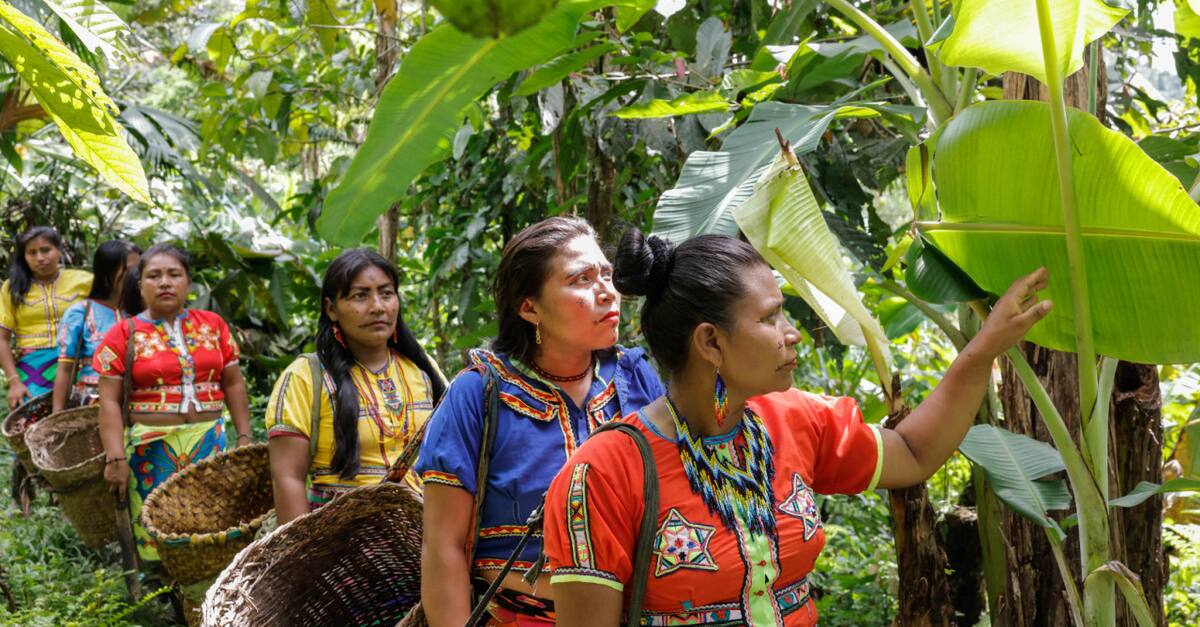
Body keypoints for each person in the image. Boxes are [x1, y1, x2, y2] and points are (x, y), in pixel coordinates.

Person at [542, 230, 1053, 626]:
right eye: (770, 318)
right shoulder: (602, 476)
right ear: (711, 343)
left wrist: (983, 349)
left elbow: (914, 452)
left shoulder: (795, 420)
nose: (792, 336)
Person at [417, 217, 666, 626]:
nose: (607, 292)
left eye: (606, 274)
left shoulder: (635, 377)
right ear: (530, 307)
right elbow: (444, 545)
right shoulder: (478, 395)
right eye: (582, 279)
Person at [94, 244, 253, 561]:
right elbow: (109, 402)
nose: (164, 282)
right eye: (154, 275)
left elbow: (233, 382)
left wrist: (245, 435)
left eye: (174, 274)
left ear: (188, 283)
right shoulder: (122, 334)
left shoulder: (213, 325)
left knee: (213, 527)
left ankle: (205, 595)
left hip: (211, 448)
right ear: (140, 286)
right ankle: (170, 595)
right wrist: (115, 460)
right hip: (152, 451)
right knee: (161, 529)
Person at [265, 248, 447, 524]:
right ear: (331, 309)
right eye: (360, 295)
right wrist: (303, 558)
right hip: (340, 540)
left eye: (386, 293)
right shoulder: (304, 377)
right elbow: (287, 477)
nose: (377, 306)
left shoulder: (422, 370)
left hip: (424, 532)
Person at [0, 226, 92, 409]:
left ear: (59, 250)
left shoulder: (85, 281)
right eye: (31, 253)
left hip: (79, 364)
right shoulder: (12, 288)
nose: (40, 258)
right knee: (32, 422)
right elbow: (2, 339)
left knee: (82, 423)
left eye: (45, 250)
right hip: (32, 368)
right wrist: (14, 382)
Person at [52, 240, 141, 413]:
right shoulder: (80, 313)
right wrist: (57, 416)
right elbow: (65, 368)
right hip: (93, 407)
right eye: (129, 271)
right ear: (108, 272)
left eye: (140, 270)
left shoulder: (144, 312)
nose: (137, 276)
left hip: (138, 404)